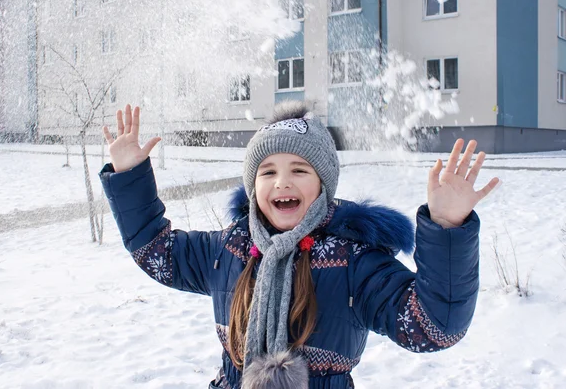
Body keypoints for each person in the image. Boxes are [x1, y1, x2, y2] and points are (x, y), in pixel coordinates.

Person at [99, 102, 499, 389]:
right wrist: (130, 175)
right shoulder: (230, 249)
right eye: (267, 171)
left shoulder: (352, 261)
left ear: (323, 185)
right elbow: (157, 251)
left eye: (299, 170)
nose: (281, 182)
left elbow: (433, 326)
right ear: (253, 187)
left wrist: (447, 228)